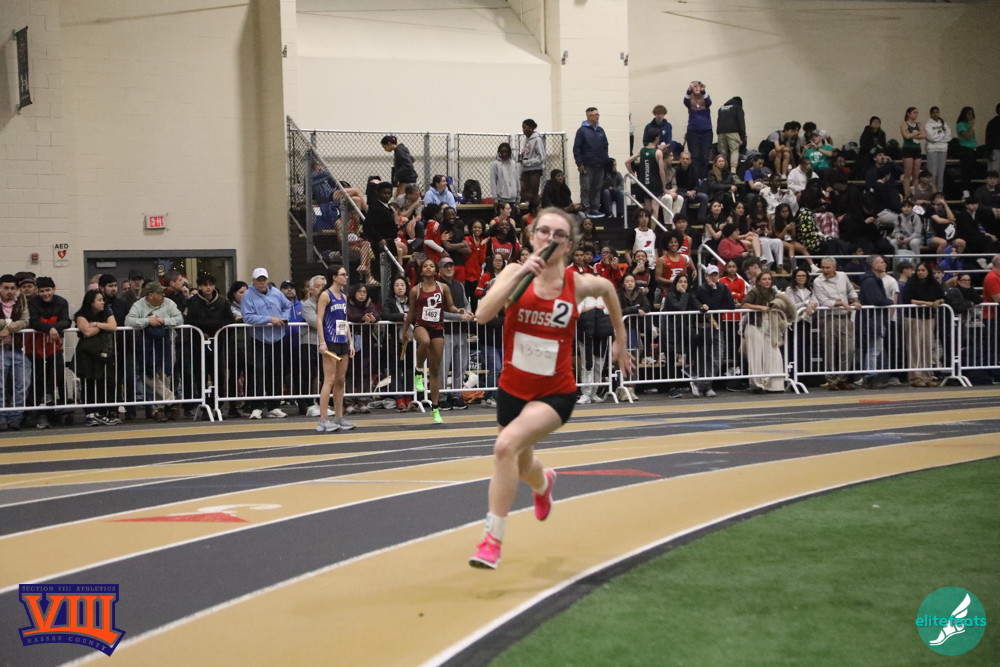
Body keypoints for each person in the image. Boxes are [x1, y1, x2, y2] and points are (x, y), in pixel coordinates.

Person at [469, 207, 632, 569]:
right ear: (531, 237)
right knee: (522, 463)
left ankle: (492, 540)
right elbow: (482, 314)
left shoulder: (577, 285)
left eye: (559, 235)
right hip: (513, 389)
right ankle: (542, 484)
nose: (549, 238)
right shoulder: (514, 273)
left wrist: (620, 340)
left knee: (504, 447)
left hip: (555, 392)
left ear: (569, 246)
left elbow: (608, 289)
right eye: (543, 231)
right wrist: (519, 275)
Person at [401, 258, 464, 425]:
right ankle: (418, 371)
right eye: (425, 266)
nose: (428, 268)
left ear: (436, 271)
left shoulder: (443, 288)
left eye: (431, 266)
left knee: (436, 370)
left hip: (438, 328)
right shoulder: (415, 290)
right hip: (421, 325)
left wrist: (459, 311)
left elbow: (450, 307)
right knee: (425, 341)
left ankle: (435, 408)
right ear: (421, 271)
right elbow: (412, 312)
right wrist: (405, 330)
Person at [125, 281, 184, 422]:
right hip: (147, 345)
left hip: (167, 343)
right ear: (150, 295)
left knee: (166, 375)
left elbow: (180, 319)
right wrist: (147, 321)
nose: (163, 295)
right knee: (147, 375)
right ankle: (171, 399)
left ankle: (160, 409)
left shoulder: (169, 303)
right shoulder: (139, 305)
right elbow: (128, 321)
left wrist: (164, 321)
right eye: (159, 293)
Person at [239, 267, 292, 420]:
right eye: (259, 280)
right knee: (258, 371)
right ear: (253, 281)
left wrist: (283, 318)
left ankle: (274, 406)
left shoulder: (276, 293)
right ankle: (256, 406)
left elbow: (287, 306)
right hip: (259, 339)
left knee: (276, 371)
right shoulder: (248, 296)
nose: (262, 282)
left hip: (277, 337)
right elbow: (247, 317)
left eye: (264, 280)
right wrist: (269, 319)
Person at [315, 265, 355, 432]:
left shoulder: (343, 297)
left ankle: (339, 416)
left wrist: (350, 342)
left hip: (342, 341)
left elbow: (344, 321)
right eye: (342, 274)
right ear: (334, 277)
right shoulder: (326, 295)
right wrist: (322, 342)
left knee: (340, 380)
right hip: (330, 340)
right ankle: (323, 419)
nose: (346, 277)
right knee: (329, 380)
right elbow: (319, 319)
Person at [26, 276, 70, 429]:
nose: (45, 294)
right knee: (38, 379)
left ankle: (50, 398)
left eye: (48, 290)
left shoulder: (62, 302)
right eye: (42, 291)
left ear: (54, 289)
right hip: (36, 348)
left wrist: (54, 328)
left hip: (53, 347)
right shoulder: (33, 302)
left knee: (57, 370)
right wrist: (51, 329)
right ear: (38, 291)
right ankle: (40, 411)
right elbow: (34, 321)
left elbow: (67, 321)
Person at [811, 257, 861, 390]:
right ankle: (831, 379)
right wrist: (842, 303)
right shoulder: (818, 281)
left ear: (834, 267)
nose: (824, 270)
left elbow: (850, 290)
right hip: (828, 318)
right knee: (830, 350)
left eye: (828, 267)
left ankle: (843, 378)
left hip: (845, 317)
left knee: (849, 349)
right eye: (823, 267)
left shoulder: (843, 276)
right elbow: (824, 301)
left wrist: (855, 300)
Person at [74, 289, 121, 427]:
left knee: (107, 381)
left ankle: (105, 412)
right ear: (91, 302)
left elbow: (113, 326)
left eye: (103, 300)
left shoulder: (106, 311)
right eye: (99, 300)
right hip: (87, 352)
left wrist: (97, 324)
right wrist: (102, 327)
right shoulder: (81, 314)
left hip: (104, 352)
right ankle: (90, 413)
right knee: (88, 382)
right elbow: (87, 331)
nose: (102, 302)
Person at [740, 270, 788, 393]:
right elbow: (744, 304)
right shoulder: (754, 292)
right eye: (764, 279)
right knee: (755, 355)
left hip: (770, 325)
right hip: (754, 324)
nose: (767, 281)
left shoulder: (774, 293)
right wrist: (759, 307)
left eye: (769, 279)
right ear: (759, 282)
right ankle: (757, 384)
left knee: (774, 353)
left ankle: (774, 384)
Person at [692, 264, 735, 397]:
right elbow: (708, 305)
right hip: (704, 327)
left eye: (715, 275)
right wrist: (714, 293)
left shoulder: (723, 287)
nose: (713, 277)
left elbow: (730, 305)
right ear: (706, 276)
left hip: (718, 326)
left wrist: (715, 292)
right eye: (711, 275)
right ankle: (703, 385)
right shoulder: (701, 289)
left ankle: (705, 384)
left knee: (717, 357)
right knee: (705, 357)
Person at [900, 263, 945, 387]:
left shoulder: (933, 283)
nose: (920, 272)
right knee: (914, 347)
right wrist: (926, 303)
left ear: (928, 271)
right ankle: (915, 376)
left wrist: (938, 301)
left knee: (927, 347)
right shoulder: (911, 283)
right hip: (913, 318)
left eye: (923, 270)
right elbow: (907, 299)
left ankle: (927, 375)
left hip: (929, 318)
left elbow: (942, 296)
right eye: (918, 270)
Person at [0, 274, 31, 431]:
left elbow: (26, 321)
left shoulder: (22, 300)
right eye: (6, 288)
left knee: (22, 385)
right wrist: (7, 324)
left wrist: (7, 327)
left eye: (12, 288)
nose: (10, 291)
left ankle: (15, 417)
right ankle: (1, 417)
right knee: (0, 387)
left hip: (18, 348)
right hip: (1, 349)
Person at [573, 107, 610, 218]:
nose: (598, 116)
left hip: (600, 165)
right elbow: (577, 148)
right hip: (587, 165)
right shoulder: (582, 131)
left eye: (598, 114)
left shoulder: (600, 130)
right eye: (595, 115)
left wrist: (605, 160)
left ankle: (595, 209)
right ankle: (586, 209)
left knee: (597, 187)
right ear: (589, 116)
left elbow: (605, 145)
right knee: (586, 188)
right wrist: (579, 163)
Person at [626, 129, 667, 222]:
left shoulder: (642, 151)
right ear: (657, 138)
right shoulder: (658, 152)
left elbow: (627, 162)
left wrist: (632, 174)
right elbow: (661, 171)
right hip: (655, 184)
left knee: (648, 210)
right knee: (655, 209)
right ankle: (651, 229)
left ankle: (647, 228)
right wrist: (664, 186)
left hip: (645, 184)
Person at [684, 80, 713, 179]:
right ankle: (696, 179)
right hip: (693, 131)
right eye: (695, 87)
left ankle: (704, 178)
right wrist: (689, 89)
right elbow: (685, 100)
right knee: (695, 156)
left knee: (705, 156)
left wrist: (703, 91)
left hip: (706, 131)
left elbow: (709, 102)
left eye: (698, 86)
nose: (697, 88)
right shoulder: (690, 100)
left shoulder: (705, 98)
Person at [518, 119, 546, 213]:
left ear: (531, 128)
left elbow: (541, 157)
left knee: (534, 193)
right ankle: (527, 211)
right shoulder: (526, 139)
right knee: (522, 191)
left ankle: (535, 212)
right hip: (525, 169)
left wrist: (527, 162)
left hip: (534, 170)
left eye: (524, 127)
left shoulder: (537, 139)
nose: (523, 130)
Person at [923, 106, 952, 193]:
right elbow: (931, 137)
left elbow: (949, 135)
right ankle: (931, 192)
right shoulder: (928, 124)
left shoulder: (942, 123)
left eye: (937, 112)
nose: (936, 114)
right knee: (933, 172)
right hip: (933, 149)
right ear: (931, 114)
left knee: (941, 173)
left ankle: (939, 192)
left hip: (943, 149)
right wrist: (941, 137)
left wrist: (939, 138)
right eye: (934, 112)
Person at [899, 107, 925, 199]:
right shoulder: (904, 124)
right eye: (914, 113)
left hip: (917, 149)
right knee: (908, 174)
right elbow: (906, 136)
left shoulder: (919, 124)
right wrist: (917, 133)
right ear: (908, 114)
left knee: (916, 174)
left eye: (917, 113)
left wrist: (912, 134)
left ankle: (914, 194)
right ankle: (907, 194)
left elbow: (923, 135)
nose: (916, 115)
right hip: (907, 149)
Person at [716, 96, 746, 174]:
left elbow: (718, 121)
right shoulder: (738, 107)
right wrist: (742, 136)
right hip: (733, 132)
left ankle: (722, 172)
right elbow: (741, 122)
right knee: (734, 151)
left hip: (721, 132)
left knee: (722, 153)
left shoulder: (721, 108)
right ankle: (733, 173)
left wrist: (718, 132)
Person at [955, 107, 977, 199]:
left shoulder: (968, 124)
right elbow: (967, 136)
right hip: (965, 149)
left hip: (972, 149)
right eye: (968, 114)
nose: (970, 116)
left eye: (971, 114)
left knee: (971, 172)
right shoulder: (961, 124)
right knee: (965, 171)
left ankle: (969, 190)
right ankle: (965, 191)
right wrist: (971, 126)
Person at [490, 142, 519, 208]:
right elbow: (493, 182)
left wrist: (518, 196)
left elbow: (517, 180)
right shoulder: (495, 164)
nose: (504, 154)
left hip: (513, 198)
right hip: (501, 199)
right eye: (502, 152)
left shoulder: (513, 164)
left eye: (506, 152)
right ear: (499, 152)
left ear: (509, 152)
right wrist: (495, 199)